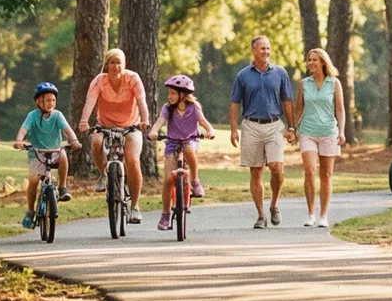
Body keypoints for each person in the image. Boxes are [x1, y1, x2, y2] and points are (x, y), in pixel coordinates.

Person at [229, 34, 294, 229]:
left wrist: (292, 127)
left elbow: (287, 101)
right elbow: (234, 103)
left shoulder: (280, 73)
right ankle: (260, 215)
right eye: (262, 48)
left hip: (274, 124)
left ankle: (274, 204)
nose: (266, 51)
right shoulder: (243, 75)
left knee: (277, 167)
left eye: (268, 48)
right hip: (251, 125)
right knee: (256, 171)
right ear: (254, 51)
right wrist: (233, 129)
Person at [79, 47, 150, 224]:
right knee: (95, 142)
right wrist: (83, 121)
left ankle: (134, 207)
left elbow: (141, 101)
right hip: (105, 125)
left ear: (124, 65)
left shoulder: (133, 79)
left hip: (131, 126)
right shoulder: (99, 81)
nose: (115, 66)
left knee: (132, 160)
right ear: (106, 65)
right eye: (112, 62)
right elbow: (90, 101)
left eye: (119, 63)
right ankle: (104, 173)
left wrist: (145, 120)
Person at [151, 74, 214, 232]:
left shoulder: (194, 108)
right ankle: (165, 214)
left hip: (190, 141)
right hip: (172, 144)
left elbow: (204, 122)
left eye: (173, 93)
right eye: (169, 93)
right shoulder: (168, 109)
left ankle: (195, 181)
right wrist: (153, 131)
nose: (170, 96)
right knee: (167, 180)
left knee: (189, 149)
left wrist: (210, 131)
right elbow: (160, 121)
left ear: (183, 94)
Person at [15, 82, 80, 230]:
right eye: (47, 100)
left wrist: (74, 140)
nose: (51, 103)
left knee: (63, 154)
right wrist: (19, 140)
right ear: (38, 101)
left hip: (54, 151)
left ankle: (63, 187)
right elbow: (23, 129)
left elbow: (68, 130)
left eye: (53, 100)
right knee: (33, 181)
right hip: (36, 154)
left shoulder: (57, 115)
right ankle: (30, 211)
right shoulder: (32, 116)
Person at [296, 48, 345, 228]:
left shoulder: (334, 83)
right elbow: (299, 108)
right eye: (309, 60)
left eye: (315, 60)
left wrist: (341, 131)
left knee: (326, 174)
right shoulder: (304, 83)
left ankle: (323, 215)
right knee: (310, 171)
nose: (311, 63)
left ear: (323, 62)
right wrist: (293, 128)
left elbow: (340, 109)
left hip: (328, 132)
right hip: (308, 131)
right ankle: (310, 213)